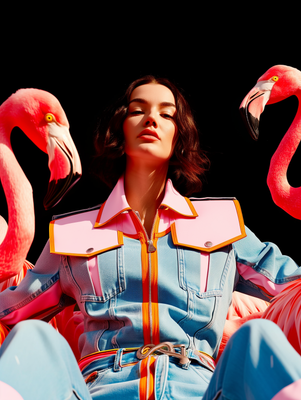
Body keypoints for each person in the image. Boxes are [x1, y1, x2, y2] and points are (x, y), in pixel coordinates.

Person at [1, 76, 301, 400]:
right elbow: (11, 311)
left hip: (201, 389)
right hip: (102, 388)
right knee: (33, 336)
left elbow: (291, 282)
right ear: (119, 128)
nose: (151, 119)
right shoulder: (70, 234)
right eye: (137, 110)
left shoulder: (222, 224)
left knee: (258, 337)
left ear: (179, 135)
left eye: (166, 114)